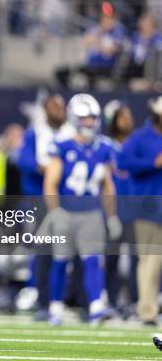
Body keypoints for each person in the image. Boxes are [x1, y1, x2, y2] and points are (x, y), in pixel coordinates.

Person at [42, 93, 121, 325]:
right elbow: (50, 182)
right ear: (75, 119)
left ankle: (96, 305)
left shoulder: (104, 147)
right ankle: (55, 307)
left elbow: (107, 184)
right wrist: (54, 210)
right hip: (66, 210)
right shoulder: (62, 145)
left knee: (92, 260)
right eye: (85, 118)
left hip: (91, 212)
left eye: (92, 118)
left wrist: (112, 215)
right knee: (60, 260)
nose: (89, 123)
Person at [16, 93, 71, 318]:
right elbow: (23, 160)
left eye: (61, 106)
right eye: (54, 107)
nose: (60, 110)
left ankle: (66, 299)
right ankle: (42, 299)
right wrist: (43, 167)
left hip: (66, 200)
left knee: (69, 254)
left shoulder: (71, 133)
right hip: (39, 199)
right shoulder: (35, 132)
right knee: (43, 251)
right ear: (46, 110)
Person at [117, 95, 162, 326]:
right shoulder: (140, 137)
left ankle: (149, 306)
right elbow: (123, 162)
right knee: (150, 259)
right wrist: (152, 163)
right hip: (147, 206)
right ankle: (147, 310)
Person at [102, 100, 137, 315]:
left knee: (138, 259)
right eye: (123, 116)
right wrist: (110, 214)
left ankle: (137, 301)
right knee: (111, 258)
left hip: (136, 209)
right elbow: (105, 182)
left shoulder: (136, 144)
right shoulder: (105, 146)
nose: (128, 121)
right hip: (113, 209)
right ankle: (110, 301)